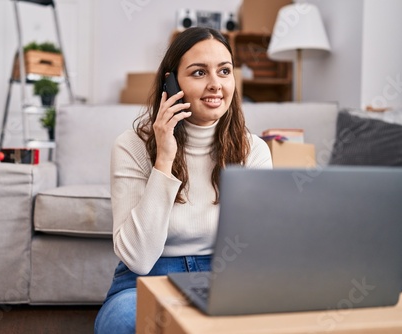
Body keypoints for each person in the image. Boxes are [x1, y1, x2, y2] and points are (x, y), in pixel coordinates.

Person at [94, 27, 272, 333]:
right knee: (123, 322)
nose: (216, 85)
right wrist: (164, 160)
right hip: (145, 278)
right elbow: (138, 258)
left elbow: (258, 248)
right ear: (171, 82)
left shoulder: (253, 150)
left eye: (224, 71)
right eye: (199, 72)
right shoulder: (131, 145)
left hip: (223, 276)